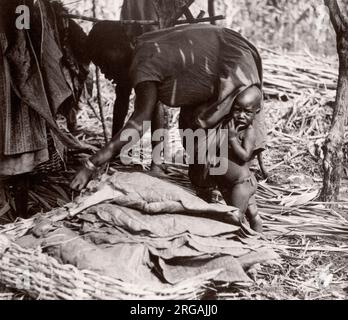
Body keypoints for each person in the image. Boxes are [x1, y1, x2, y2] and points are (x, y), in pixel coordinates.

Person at [71, 23, 267, 226]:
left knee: (222, 151)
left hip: (232, 63)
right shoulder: (140, 48)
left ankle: (237, 216)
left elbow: (139, 122)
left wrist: (91, 163)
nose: (104, 72)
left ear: (116, 49)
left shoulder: (143, 63)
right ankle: (222, 203)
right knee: (195, 135)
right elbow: (133, 104)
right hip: (226, 52)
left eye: (103, 62)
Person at [215, 86, 263, 232]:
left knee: (235, 217)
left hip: (241, 184)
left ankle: (246, 241)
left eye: (247, 112)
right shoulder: (230, 124)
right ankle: (258, 236)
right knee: (253, 214)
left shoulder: (249, 132)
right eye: (237, 110)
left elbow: (245, 156)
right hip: (233, 184)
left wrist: (233, 139)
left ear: (257, 112)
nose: (241, 115)